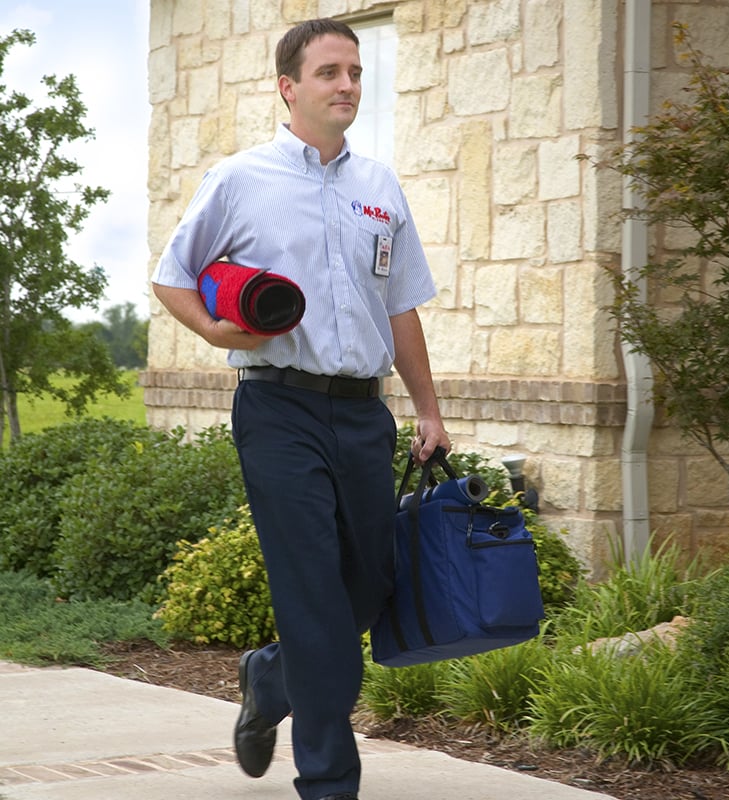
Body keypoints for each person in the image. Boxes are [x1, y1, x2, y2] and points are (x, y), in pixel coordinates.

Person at [151, 17, 450, 800]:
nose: (348, 84)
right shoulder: (240, 179)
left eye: (355, 71)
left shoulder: (379, 186)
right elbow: (172, 275)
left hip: (364, 415)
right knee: (313, 592)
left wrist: (428, 410)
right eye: (329, 72)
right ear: (288, 87)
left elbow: (401, 306)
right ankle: (328, 780)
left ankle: (271, 676)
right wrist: (215, 329)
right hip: (278, 409)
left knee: (372, 585)